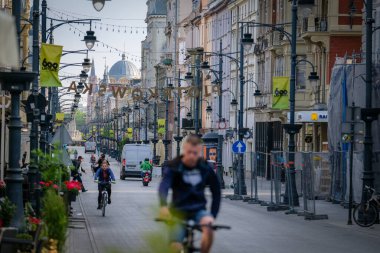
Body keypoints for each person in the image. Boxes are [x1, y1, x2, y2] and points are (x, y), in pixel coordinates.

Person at [158, 134, 221, 253]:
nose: (192, 156)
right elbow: (164, 187)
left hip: (198, 210)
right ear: (184, 151)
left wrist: (213, 215)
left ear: (200, 152)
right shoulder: (175, 167)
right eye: (189, 152)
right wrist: (163, 206)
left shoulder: (205, 168)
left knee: (209, 229)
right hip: (178, 211)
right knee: (175, 246)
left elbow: (216, 192)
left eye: (195, 153)